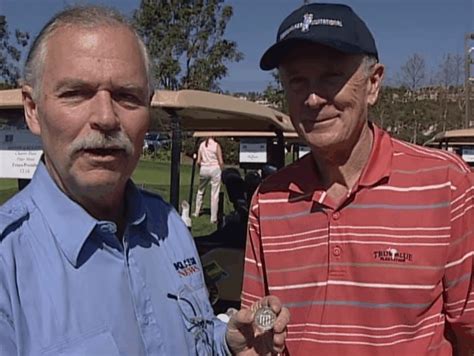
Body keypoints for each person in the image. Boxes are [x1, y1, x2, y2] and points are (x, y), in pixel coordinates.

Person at [0, 6, 290, 355]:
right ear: (32, 109)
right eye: (76, 93)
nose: (106, 118)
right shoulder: (9, 262)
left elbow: (191, 338)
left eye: (127, 96)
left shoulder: (168, 227)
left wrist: (225, 344)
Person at [241, 3, 473, 355]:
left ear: (373, 84)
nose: (313, 98)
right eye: (296, 81)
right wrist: (252, 334)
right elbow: (259, 324)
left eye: (331, 76)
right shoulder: (268, 199)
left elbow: (468, 328)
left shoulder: (446, 184)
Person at [193, 136, 224, 223]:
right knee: (214, 193)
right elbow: (220, 161)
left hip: (204, 169)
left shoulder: (202, 145)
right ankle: (213, 218)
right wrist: (222, 170)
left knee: (200, 190)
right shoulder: (216, 145)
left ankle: (196, 212)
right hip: (214, 169)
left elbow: (198, 161)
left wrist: (201, 167)